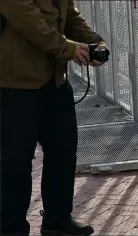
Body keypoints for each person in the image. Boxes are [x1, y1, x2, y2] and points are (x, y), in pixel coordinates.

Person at [0, 0, 108, 235]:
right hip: (16, 84)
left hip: (55, 81)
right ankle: (11, 229)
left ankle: (57, 220)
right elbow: (28, 20)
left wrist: (94, 42)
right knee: (16, 161)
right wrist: (69, 49)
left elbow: (69, 15)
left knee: (63, 152)